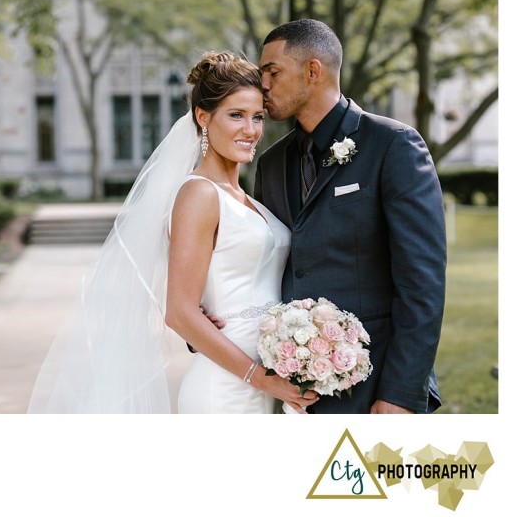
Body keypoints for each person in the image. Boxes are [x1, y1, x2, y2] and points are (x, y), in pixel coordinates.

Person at [28, 51, 316, 414]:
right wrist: (260, 378)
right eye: (236, 115)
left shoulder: (248, 200)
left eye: (257, 116)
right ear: (203, 117)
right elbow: (179, 313)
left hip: (269, 379)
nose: (251, 130)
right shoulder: (198, 193)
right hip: (227, 390)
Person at [254, 19, 445, 414]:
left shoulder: (394, 145)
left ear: (312, 71)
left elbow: (421, 282)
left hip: (378, 387)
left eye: (272, 72)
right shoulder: (271, 164)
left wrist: (400, 394)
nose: (263, 86)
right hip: (295, 391)